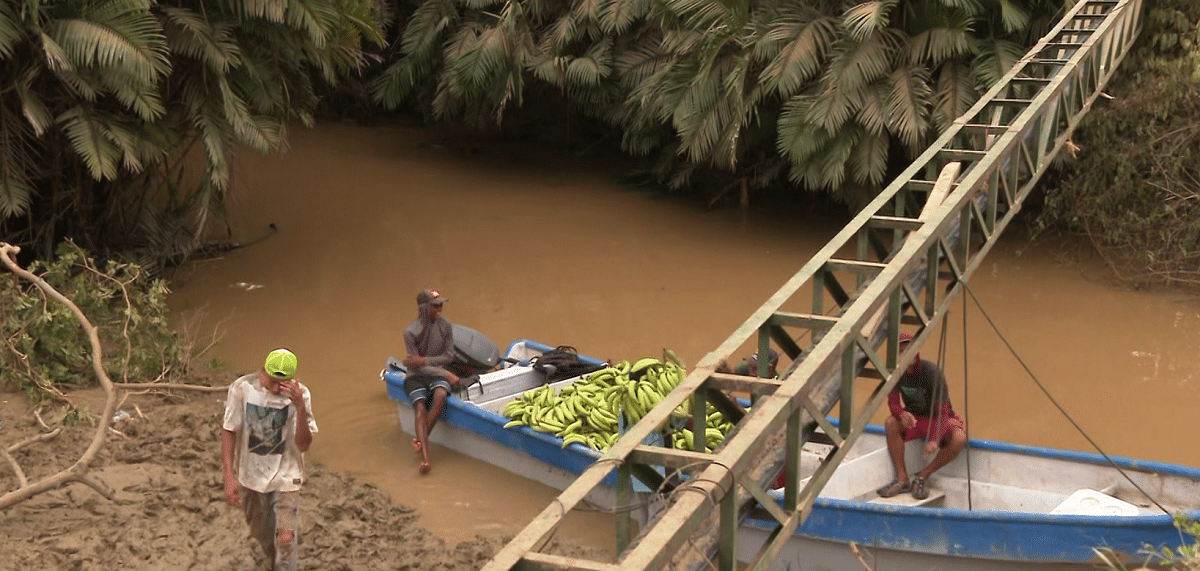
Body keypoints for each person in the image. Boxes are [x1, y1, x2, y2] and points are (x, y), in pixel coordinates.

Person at [222, 348, 318, 571]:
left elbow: (304, 444)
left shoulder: (301, 395)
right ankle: (273, 563)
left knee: (285, 538)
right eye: (272, 382)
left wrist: (300, 407)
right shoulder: (242, 388)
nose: (276, 389)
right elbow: (229, 430)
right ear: (262, 371)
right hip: (250, 476)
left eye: (282, 384)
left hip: (286, 476)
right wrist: (228, 474)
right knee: (261, 534)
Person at [876, 332, 967, 500]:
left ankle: (923, 475)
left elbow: (943, 412)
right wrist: (901, 413)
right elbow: (893, 402)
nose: (907, 354)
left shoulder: (932, 372)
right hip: (915, 419)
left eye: (910, 349)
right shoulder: (895, 372)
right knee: (891, 422)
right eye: (902, 351)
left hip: (939, 419)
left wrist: (934, 439)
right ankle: (902, 479)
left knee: (959, 438)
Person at [403, 288, 470, 474]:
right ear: (423, 308)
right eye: (435, 305)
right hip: (416, 376)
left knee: (440, 395)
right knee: (420, 408)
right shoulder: (410, 332)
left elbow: (448, 357)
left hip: (437, 373)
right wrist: (446, 374)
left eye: (441, 304)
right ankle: (426, 459)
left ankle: (420, 440)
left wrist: (424, 360)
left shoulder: (445, 325)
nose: (439, 308)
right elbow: (416, 367)